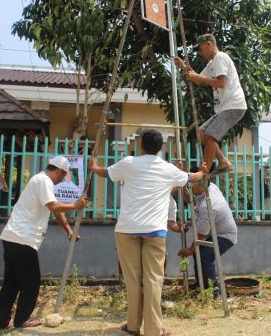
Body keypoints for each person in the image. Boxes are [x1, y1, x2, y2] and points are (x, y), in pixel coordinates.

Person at [89, 129, 207, 336]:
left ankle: (133, 326)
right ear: (160, 148)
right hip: (155, 231)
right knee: (153, 281)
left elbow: (105, 173)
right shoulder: (168, 169)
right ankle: (154, 330)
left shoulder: (128, 162)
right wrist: (204, 172)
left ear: (141, 146)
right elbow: (191, 177)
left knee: (133, 280)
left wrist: (94, 166)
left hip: (126, 230)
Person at [0, 156, 87, 330]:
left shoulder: (42, 181)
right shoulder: (43, 180)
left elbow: (56, 211)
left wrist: (68, 230)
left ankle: (0, 322)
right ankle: (22, 320)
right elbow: (53, 207)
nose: (62, 179)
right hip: (23, 239)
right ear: (59, 171)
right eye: (64, 175)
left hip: (12, 237)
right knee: (31, 283)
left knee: (11, 283)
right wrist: (75, 205)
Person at [174, 33, 247, 174]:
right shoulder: (212, 63)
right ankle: (223, 161)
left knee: (210, 136)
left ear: (209, 44)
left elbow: (221, 83)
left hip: (233, 105)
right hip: (224, 108)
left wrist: (197, 76)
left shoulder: (220, 58)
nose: (200, 52)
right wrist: (183, 67)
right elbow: (197, 79)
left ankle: (204, 171)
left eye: (200, 48)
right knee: (201, 133)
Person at [177, 168, 237, 296]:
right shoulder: (208, 187)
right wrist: (183, 185)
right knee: (197, 252)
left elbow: (201, 234)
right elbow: (189, 199)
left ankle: (213, 290)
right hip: (213, 232)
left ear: (201, 184)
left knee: (204, 256)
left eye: (191, 185)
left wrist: (189, 250)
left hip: (225, 235)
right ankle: (200, 284)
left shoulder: (209, 206)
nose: (190, 188)